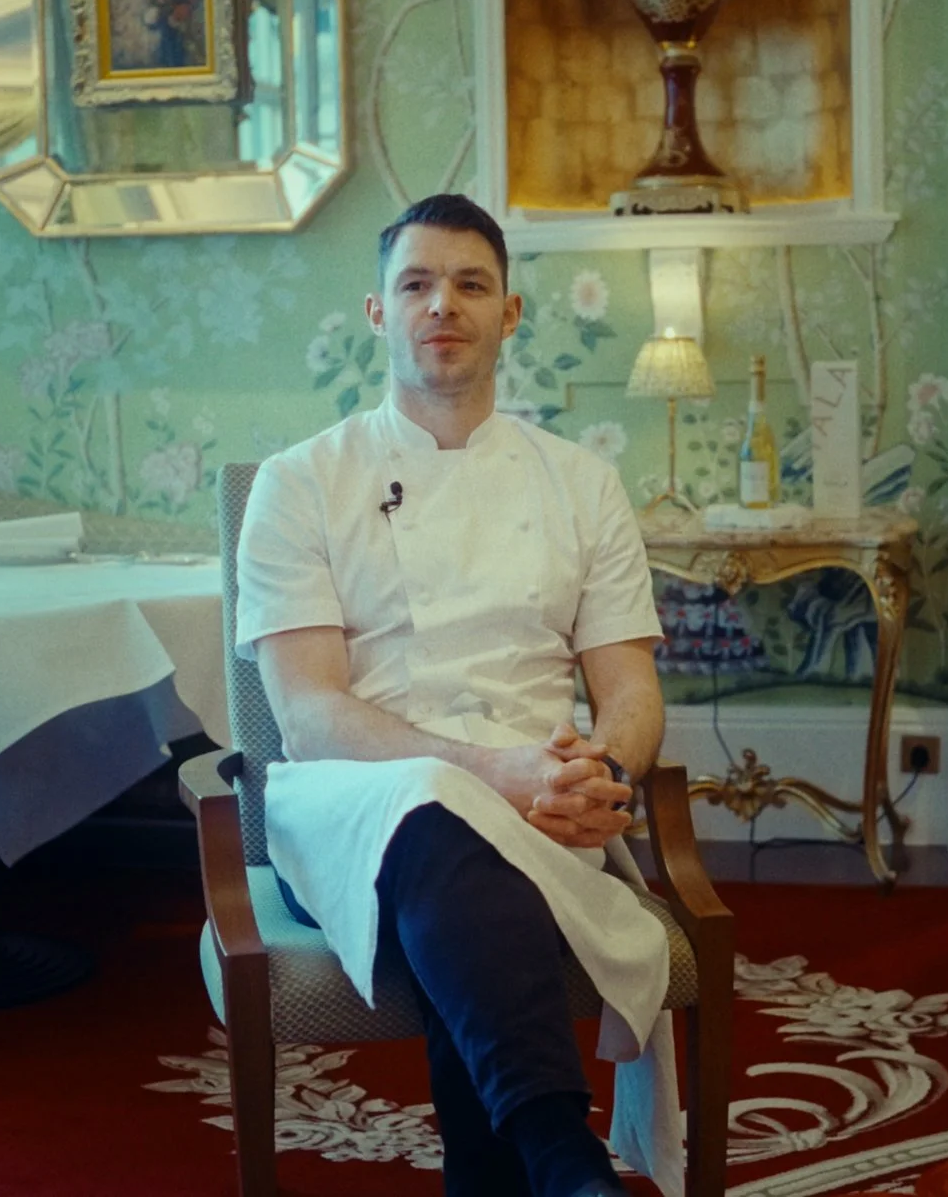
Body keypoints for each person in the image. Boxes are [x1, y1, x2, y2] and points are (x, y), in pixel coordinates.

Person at [236, 194, 677, 1197]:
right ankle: (568, 1159)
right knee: (435, 809)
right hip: (355, 803)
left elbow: (632, 692)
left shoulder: (580, 482)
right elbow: (307, 712)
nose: (444, 303)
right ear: (377, 312)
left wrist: (597, 771)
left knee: (468, 878)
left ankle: (530, 1170)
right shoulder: (298, 482)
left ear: (510, 313)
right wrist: (498, 773)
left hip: (544, 813)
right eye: (417, 284)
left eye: (471, 284)